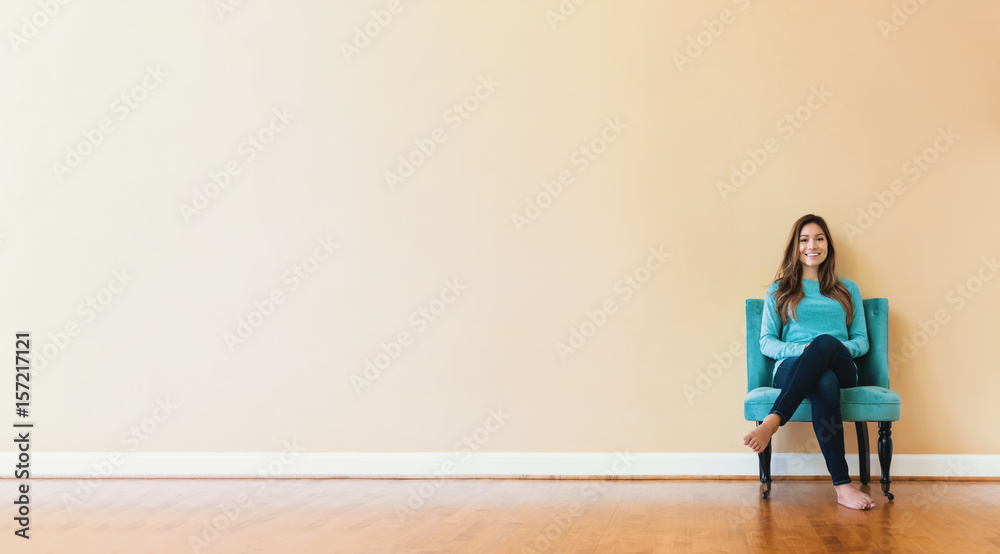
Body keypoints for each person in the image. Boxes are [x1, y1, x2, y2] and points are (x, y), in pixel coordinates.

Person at [742, 214, 875, 510]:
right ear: (795, 246)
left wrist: (823, 347)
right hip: (792, 369)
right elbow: (766, 342)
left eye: (819, 238)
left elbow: (862, 341)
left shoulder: (847, 289)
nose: (811, 246)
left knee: (825, 343)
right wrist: (804, 351)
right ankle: (842, 486)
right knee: (823, 380)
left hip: (842, 365)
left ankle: (773, 421)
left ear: (828, 245)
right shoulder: (779, 290)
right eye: (804, 239)